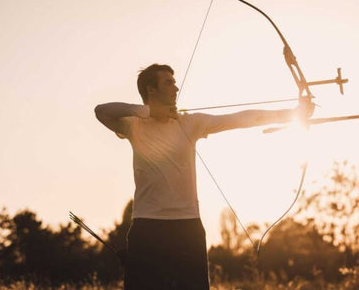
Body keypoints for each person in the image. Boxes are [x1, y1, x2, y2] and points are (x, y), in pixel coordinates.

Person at [94, 63, 314, 289]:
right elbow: (101, 111)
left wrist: (294, 113)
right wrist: (150, 112)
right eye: (168, 82)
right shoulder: (134, 126)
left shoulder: (190, 123)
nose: (176, 88)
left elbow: (240, 118)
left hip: (187, 227)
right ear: (151, 90)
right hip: (147, 226)